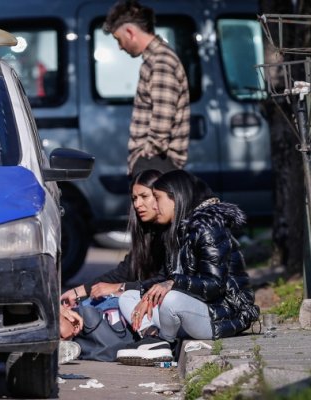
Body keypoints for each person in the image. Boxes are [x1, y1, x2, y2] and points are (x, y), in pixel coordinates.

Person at [116, 170, 260, 366]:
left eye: (157, 198)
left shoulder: (208, 227)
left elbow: (214, 285)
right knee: (129, 297)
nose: (154, 206)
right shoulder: (176, 230)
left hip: (220, 314)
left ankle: (164, 343)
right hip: (188, 310)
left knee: (171, 299)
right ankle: (152, 337)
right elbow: (167, 278)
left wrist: (173, 283)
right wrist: (143, 292)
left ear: (177, 198)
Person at [58, 169, 166, 363]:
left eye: (144, 196)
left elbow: (168, 280)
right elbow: (124, 271)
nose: (137, 204)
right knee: (75, 310)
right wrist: (77, 292)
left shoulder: (174, 233)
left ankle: (151, 340)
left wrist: (119, 288)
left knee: (105, 306)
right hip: (137, 302)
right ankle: (61, 345)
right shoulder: (148, 234)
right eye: (134, 198)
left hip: (155, 307)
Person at [103, 0, 190, 177]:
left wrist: (143, 158)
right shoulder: (156, 59)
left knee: (143, 205)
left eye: (118, 39)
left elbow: (162, 122)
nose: (120, 47)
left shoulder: (161, 61)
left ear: (129, 32)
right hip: (155, 162)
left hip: (157, 163)